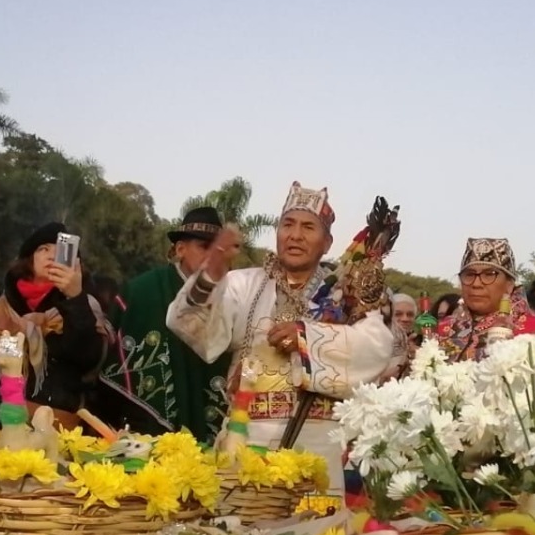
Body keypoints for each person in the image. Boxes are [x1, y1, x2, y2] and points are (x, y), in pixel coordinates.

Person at [166, 182, 394, 496]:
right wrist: (208, 277)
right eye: (288, 224)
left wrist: (305, 338)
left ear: (327, 243)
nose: (295, 235)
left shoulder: (343, 293)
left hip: (318, 446)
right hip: (244, 436)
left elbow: (377, 347)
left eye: (308, 227)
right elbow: (188, 323)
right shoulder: (243, 283)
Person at [101, 206, 232, 442]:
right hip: (145, 426)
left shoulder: (232, 294)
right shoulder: (142, 290)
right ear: (180, 249)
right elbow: (110, 351)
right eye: (204, 248)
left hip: (209, 424)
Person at [0, 223, 108, 429]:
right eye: (43, 249)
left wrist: (74, 298)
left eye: (60, 250)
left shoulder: (85, 305)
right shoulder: (5, 308)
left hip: (54, 424)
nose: (51, 255)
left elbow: (86, 357)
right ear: (29, 259)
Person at [436, 238, 535, 362]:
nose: (476, 283)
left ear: (509, 284)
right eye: (470, 275)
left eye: (489, 274)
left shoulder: (532, 331)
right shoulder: (444, 328)